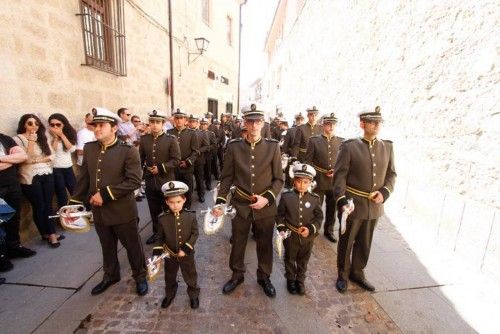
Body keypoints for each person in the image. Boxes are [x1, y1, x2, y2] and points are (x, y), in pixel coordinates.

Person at [70, 107, 148, 296]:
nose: (97, 129)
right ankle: (111, 275)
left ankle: (140, 276)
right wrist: (73, 202)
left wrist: (105, 194)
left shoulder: (128, 151)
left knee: (133, 246)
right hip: (99, 211)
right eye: (95, 125)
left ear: (114, 128)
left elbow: (134, 181)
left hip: (122, 211)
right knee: (107, 245)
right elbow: (85, 178)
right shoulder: (90, 148)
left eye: (101, 125)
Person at [215, 103, 284, 298]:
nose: (254, 126)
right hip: (241, 205)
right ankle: (237, 275)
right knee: (238, 241)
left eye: (258, 122)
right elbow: (227, 177)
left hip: (265, 206)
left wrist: (267, 199)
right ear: (244, 123)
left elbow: (279, 179)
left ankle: (264, 276)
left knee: (265, 243)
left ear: (263, 124)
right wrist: (221, 200)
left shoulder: (272, 147)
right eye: (250, 121)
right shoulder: (235, 147)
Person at [333, 106, 396, 293]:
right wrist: (342, 200)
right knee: (347, 241)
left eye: (379, 122)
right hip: (352, 205)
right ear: (362, 124)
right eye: (372, 122)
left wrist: (384, 192)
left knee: (365, 241)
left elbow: (392, 175)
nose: (377, 125)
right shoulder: (350, 146)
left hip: (374, 206)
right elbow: (339, 176)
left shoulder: (387, 146)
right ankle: (342, 275)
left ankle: (357, 273)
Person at [13, 114, 62, 248]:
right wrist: (31, 142)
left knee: (48, 205)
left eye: (37, 123)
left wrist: (37, 160)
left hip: (47, 173)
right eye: (30, 123)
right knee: (39, 206)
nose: (34, 126)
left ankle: (50, 233)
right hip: (30, 176)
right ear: (24, 124)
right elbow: (25, 159)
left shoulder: (42, 138)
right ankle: (47, 234)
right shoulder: (18, 139)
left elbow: (52, 155)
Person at [276, 163, 323, 295]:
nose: (302, 185)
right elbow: (280, 215)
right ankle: (290, 279)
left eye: (305, 182)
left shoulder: (315, 199)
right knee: (290, 258)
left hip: (308, 237)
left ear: (310, 183)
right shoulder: (286, 197)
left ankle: (300, 280)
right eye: (298, 181)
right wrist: (281, 229)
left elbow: (319, 217)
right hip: (290, 235)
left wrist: (311, 229)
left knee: (304, 259)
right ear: (294, 181)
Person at [152, 181, 200, 309]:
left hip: (187, 254)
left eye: (178, 202)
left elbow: (195, 234)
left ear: (184, 200)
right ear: (167, 202)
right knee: (170, 276)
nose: (175, 205)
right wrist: (156, 254)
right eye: (172, 202)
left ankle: (193, 294)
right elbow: (159, 237)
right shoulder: (162, 219)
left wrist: (186, 249)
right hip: (170, 254)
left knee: (190, 274)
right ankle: (170, 294)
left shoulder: (191, 216)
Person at [139, 110, 180, 245]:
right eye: (152, 122)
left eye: (158, 122)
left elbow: (176, 160)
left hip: (166, 181)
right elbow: (141, 159)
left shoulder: (171, 139)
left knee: (168, 209)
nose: (155, 125)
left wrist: (161, 168)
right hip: (151, 181)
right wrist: (142, 173)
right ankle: (157, 234)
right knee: (154, 210)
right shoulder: (144, 139)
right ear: (149, 124)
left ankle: (171, 234)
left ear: (163, 124)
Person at [304, 113, 344, 243]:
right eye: (328, 123)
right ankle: (314, 228)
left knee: (332, 208)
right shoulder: (314, 140)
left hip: (334, 181)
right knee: (317, 206)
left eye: (333, 124)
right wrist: (311, 178)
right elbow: (308, 162)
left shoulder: (341, 141)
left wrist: (337, 172)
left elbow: (343, 163)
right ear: (323, 125)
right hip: (319, 179)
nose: (331, 126)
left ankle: (329, 230)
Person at [0, 132, 36, 271]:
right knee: (0, 223)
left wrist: (3, 159)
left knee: (14, 217)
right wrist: (12, 159)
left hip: (12, 185)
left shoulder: (5, 138)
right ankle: (2, 256)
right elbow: (17, 158)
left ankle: (14, 247)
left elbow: (23, 156)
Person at [167, 109, 199, 209]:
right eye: (177, 118)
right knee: (174, 191)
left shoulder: (192, 133)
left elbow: (195, 151)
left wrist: (188, 162)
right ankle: (176, 210)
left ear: (185, 120)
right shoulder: (169, 132)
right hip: (173, 168)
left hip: (187, 168)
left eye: (181, 118)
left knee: (187, 190)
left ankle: (187, 210)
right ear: (174, 120)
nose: (179, 120)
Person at [48, 113, 77, 210]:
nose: (55, 126)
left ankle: (77, 213)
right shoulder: (48, 135)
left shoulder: (70, 133)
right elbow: (51, 152)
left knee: (75, 191)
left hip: (68, 167)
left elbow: (72, 149)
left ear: (63, 124)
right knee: (61, 194)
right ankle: (63, 217)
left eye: (58, 124)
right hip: (56, 168)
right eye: (52, 125)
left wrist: (62, 135)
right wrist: (55, 138)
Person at [188, 115, 209, 203]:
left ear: (197, 123)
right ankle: (188, 196)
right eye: (191, 121)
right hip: (188, 160)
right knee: (189, 180)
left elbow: (207, 146)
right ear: (188, 122)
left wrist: (198, 151)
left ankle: (201, 194)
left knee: (199, 178)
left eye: (194, 122)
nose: (192, 123)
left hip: (199, 160)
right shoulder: (186, 133)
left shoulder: (202, 133)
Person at [200, 118, 216, 190]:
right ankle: (200, 185)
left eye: (205, 124)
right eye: (202, 124)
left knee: (208, 170)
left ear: (207, 125)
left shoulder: (211, 134)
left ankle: (208, 184)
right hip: (200, 155)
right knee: (200, 172)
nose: (203, 126)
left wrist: (207, 148)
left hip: (207, 155)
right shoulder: (197, 133)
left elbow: (214, 145)